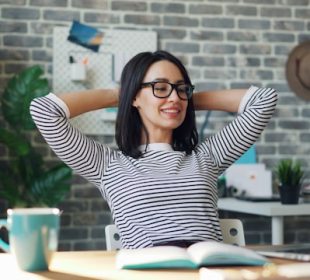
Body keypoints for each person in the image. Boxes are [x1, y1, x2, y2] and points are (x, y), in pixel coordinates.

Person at [30, 50, 278, 249]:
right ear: (134, 97)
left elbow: (263, 101)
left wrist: (184, 101)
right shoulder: (106, 165)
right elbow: (44, 111)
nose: (174, 97)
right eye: (160, 88)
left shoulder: (207, 157)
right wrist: (123, 94)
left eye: (181, 89)